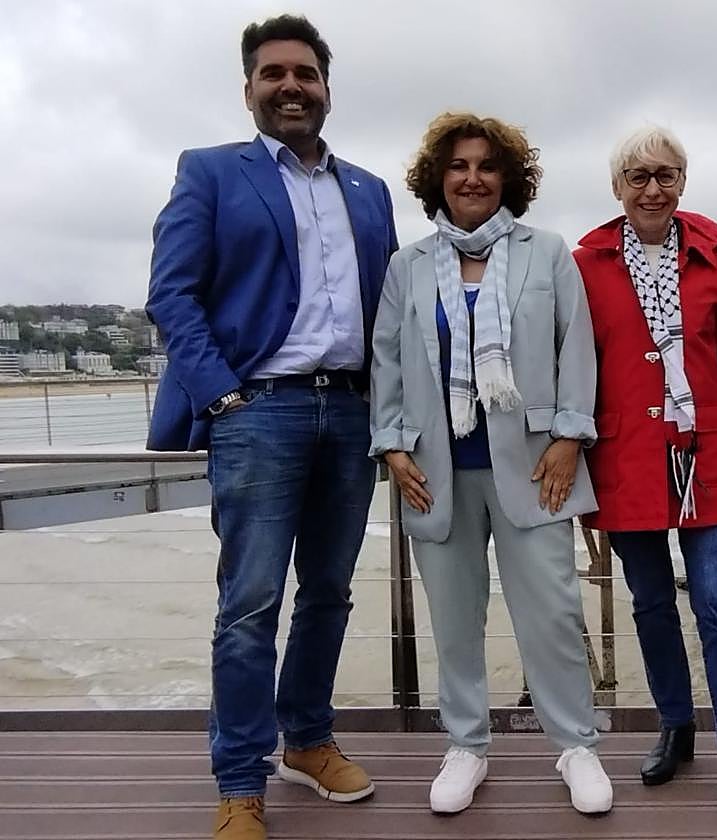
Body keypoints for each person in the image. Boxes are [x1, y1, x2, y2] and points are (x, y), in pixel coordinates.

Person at [145, 15, 398, 840]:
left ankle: (309, 739)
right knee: (249, 604)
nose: (291, 85)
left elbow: (388, 313)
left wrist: (390, 411)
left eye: (306, 73)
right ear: (249, 88)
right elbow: (172, 296)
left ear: (327, 86)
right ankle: (239, 780)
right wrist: (222, 397)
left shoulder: (368, 189)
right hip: (260, 410)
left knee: (328, 593)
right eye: (272, 73)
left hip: (351, 410)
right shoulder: (211, 173)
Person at [370, 112, 613, 817]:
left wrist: (569, 436)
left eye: (484, 165)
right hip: (433, 471)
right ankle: (466, 746)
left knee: (554, 614)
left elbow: (577, 349)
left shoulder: (546, 252)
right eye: (457, 166)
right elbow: (385, 359)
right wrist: (389, 444)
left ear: (506, 177)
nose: (471, 177)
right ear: (437, 180)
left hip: (538, 466)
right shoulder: (406, 267)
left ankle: (575, 744)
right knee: (453, 619)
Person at [572, 126, 717, 829]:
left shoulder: (715, 253)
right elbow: (575, 361)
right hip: (627, 457)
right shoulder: (585, 263)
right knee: (650, 604)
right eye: (637, 175)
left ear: (682, 181)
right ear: (616, 186)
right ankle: (675, 726)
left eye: (665, 174)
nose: (652, 188)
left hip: (705, 450)